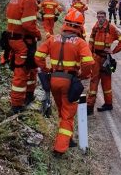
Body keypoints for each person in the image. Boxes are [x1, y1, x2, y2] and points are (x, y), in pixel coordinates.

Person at [35, 9, 95, 156]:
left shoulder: (52, 39)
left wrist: (47, 68)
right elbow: (89, 63)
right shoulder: (80, 42)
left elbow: (38, 57)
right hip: (69, 81)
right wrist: (83, 75)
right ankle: (60, 148)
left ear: (65, 24)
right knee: (68, 115)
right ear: (80, 26)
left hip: (54, 80)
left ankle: (68, 138)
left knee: (63, 111)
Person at [5, 0, 42, 114]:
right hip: (22, 41)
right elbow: (28, 24)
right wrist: (38, 34)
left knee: (31, 67)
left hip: (15, 38)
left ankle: (29, 95)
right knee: (21, 71)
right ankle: (17, 105)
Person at [87, 10, 121, 115]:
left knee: (106, 82)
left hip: (105, 59)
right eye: (98, 17)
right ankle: (90, 106)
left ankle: (108, 104)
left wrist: (113, 51)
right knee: (94, 81)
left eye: (102, 17)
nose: (100, 18)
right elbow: (90, 42)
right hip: (95, 58)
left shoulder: (111, 28)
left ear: (105, 17)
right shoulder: (95, 27)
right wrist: (89, 55)